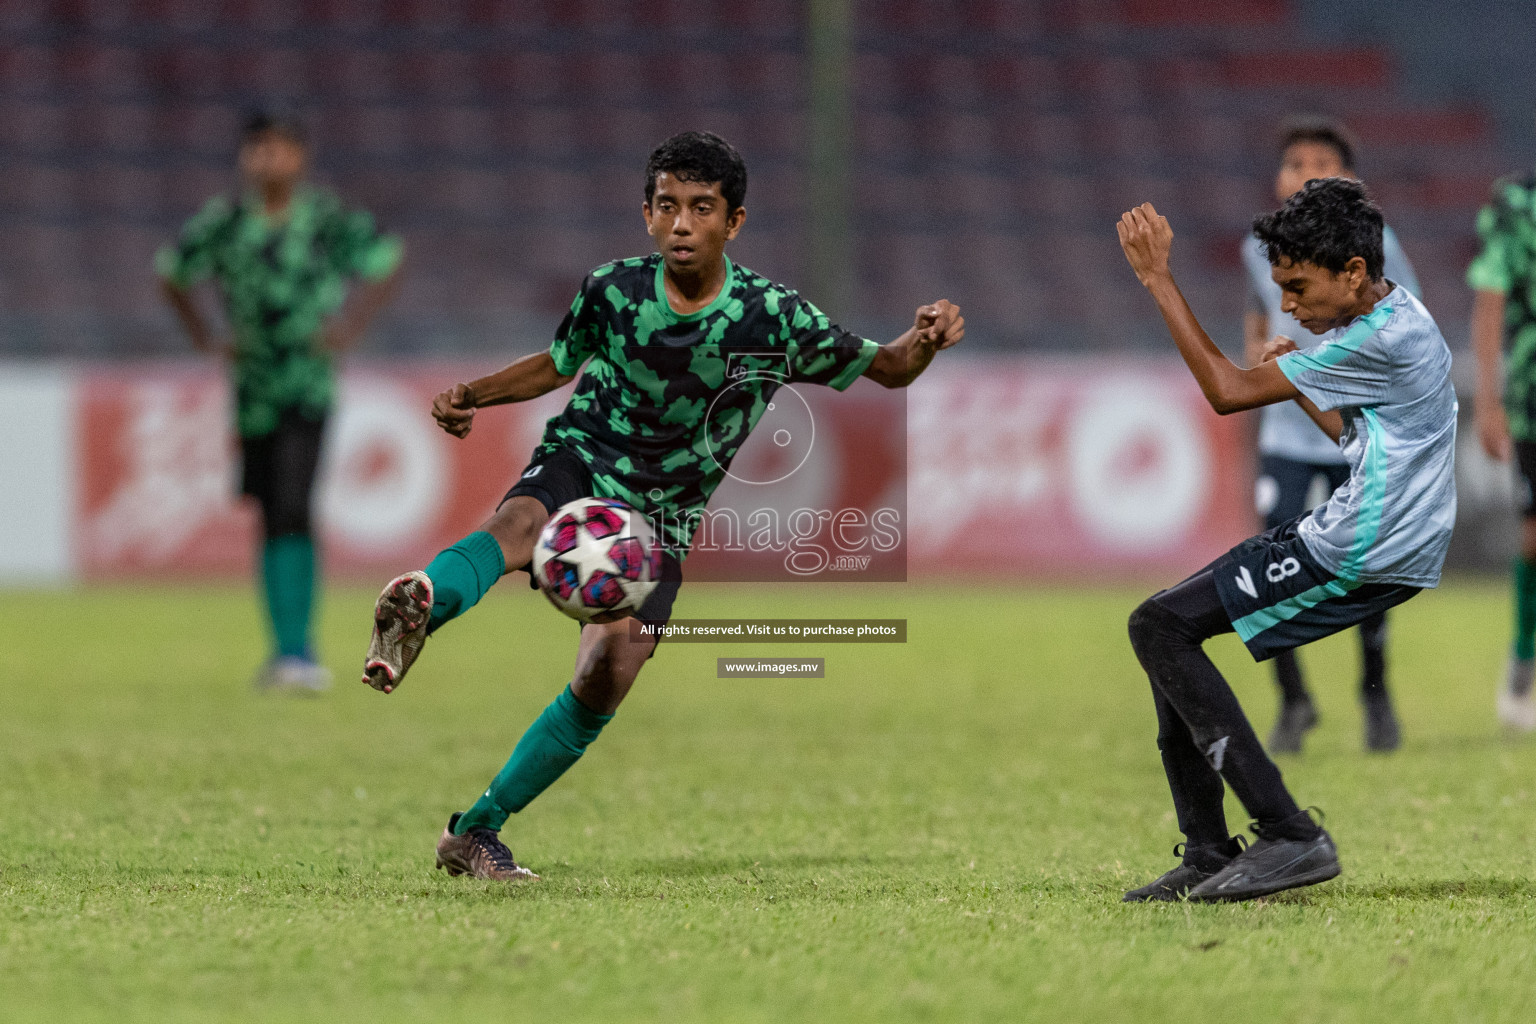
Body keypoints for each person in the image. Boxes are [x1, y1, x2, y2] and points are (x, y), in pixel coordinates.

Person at [360, 131, 964, 880]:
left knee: (613, 665)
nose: (682, 223)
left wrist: (927, 338)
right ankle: (424, 602)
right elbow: (556, 366)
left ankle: (475, 830)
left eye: (701, 208)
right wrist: (473, 396)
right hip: (585, 456)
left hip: (662, 522)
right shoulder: (611, 291)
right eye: (668, 206)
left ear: (732, 222)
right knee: (517, 523)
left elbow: (890, 365)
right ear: (646, 213)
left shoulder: (772, 317)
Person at [1116, 178, 1456, 902]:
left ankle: (1288, 835)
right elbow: (1362, 441)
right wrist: (1303, 381)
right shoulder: (1402, 320)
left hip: (1363, 544)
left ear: (1354, 272)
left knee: (1160, 627)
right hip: (1386, 536)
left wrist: (1158, 277)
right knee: (1165, 628)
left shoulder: (1380, 336)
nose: (1290, 305)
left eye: (1298, 287)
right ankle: (1209, 850)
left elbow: (1226, 390)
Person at [157, 112, 403, 691]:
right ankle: (284, 649)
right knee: (271, 510)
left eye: (279, 148)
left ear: (300, 156)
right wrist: (203, 336)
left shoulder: (324, 218)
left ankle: (298, 650)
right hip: (254, 390)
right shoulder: (226, 222)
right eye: (257, 148)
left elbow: (385, 261)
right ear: (245, 157)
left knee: (294, 503)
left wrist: (350, 328)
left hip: (307, 382)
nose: (268, 159)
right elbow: (172, 272)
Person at [1243, 116, 1421, 754]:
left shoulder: (1384, 245)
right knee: (1270, 563)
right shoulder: (1254, 246)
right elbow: (1256, 312)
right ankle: (1293, 702)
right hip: (1286, 434)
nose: (1304, 172)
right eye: (1294, 163)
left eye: (1321, 161)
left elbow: (1400, 319)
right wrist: (1257, 364)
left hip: (1354, 432)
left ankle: (1375, 691)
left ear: (1350, 178)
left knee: (1367, 566)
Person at [1469, 170, 1536, 732]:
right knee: (1535, 538)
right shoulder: (1517, 205)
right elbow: (1490, 301)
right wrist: (1488, 402)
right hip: (1533, 395)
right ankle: (1524, 652)